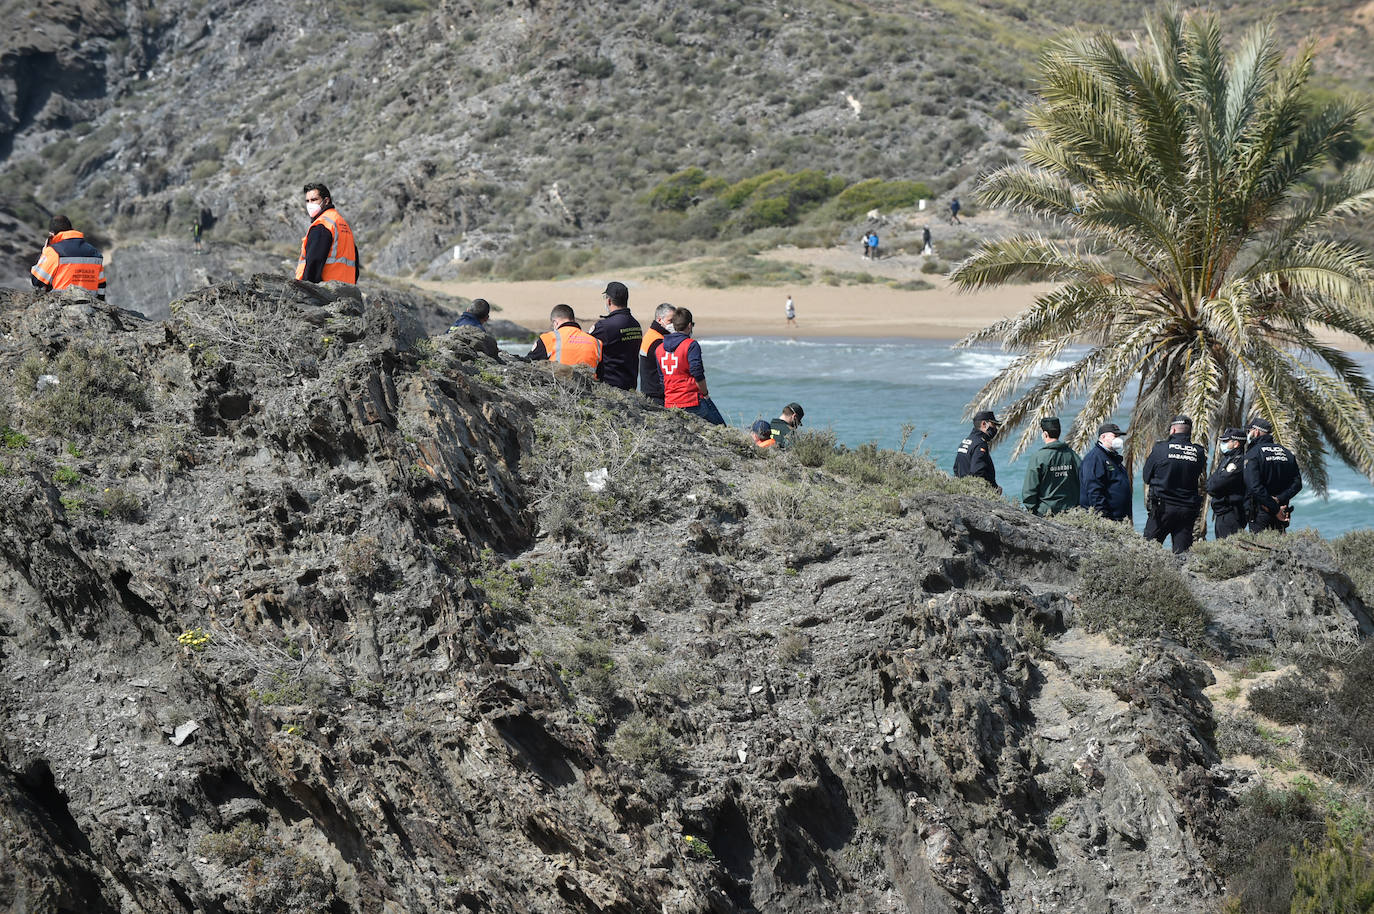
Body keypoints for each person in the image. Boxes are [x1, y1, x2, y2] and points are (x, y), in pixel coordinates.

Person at [1141, 415, 1206, 553]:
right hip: (1187, 510)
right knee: (1182, 554)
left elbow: (1146, 476)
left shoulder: (1160, 449)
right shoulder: (1198, 452)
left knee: (1148, 552)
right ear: (1189, 432)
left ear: (1173, 430)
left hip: (1162, 509)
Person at [656, 307, 724, 425]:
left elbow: (662, 380)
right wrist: (705, 394)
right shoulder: (691, 345)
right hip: (691, 401)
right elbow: (697, 373)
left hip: (670, 403)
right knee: (721, 427)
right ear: (689, 326)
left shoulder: (659, 349)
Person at [1243, 417, 1303, 533]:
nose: (1248, 434)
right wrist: (1280, 499)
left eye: (1249, 431)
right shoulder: (1286, 453)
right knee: (1279, 548)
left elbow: (1254, 486)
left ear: (1256, 431)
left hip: (1261, 512)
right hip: (1282, 510)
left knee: (1260, 548)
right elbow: (1297, 484)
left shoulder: (1253, 454)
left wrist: (1274, 508)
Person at [30, 215, 106, 300]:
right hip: (91, 304)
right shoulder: (95, 252)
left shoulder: (53, 252)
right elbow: (101, 288)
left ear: (51, 234)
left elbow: (36, 281)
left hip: (61, 304)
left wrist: (43, 253)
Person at [296, 183, 359, 284]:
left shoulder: (323, 225)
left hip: (325, 290)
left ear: (326, 201)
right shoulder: (343, 225)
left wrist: (304, 290)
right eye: (307, 201)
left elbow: (313, 263)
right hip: (346, 291)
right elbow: (355, 264)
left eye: (314, 200)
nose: (310, 204)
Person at [1021, 417, 1081, 516]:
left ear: (1045, 434)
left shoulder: (1038, 457)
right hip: (1070, 512)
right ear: (1059, 432)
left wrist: (1033, 511)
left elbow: (1029, 490)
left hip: (1045, 513)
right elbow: (1083, 481)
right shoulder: (1072, 455)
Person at [592, 281, 642, 390]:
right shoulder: (635, 324)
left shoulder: (605, 326)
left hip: (610, 386)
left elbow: (587, 345)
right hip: (631, 385)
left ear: (609, 301)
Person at [1080, 422, 1132, 521]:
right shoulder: (1095, 458)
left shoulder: (1112, 457)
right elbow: (1094, 489)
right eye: (1115, 436)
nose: (1118, 439)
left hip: (1119, 517)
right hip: (1107, 519)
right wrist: (1102, 516)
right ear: (1103, 437)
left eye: (1119, 436)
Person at [527, 304, 602, 368]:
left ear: (555, 323)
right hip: (590, 384)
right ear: (573, 320)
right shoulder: (596, 342)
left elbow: (528, 362)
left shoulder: (548, 338)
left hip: (558, 383)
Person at [1206, 428, 1248, 539]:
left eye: (1226, 441)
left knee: (1229, 547)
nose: (1222, 444)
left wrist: (1212, 485)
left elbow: (1217, 484)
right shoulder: (1227, 459)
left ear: (1236, 443)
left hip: (1232, 512)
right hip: (1222, 512)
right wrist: (1211, 485)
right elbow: (1211, 482)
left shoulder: (1238, 461)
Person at [953, 410, 1001, 492]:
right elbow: (978, 472)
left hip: (962, 489)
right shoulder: (980, 444)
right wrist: (993, 488)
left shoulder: (966, 441)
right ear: (983, 424)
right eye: (993, 425)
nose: (995, 429)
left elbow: (956, 468)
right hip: (975, 494)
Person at [639, 302, 676, 406]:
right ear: (660, 320)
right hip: (657, 396)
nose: (673, 324)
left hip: (648, 391)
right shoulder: (658, 341)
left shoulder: (651, 333)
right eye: (670, 321)